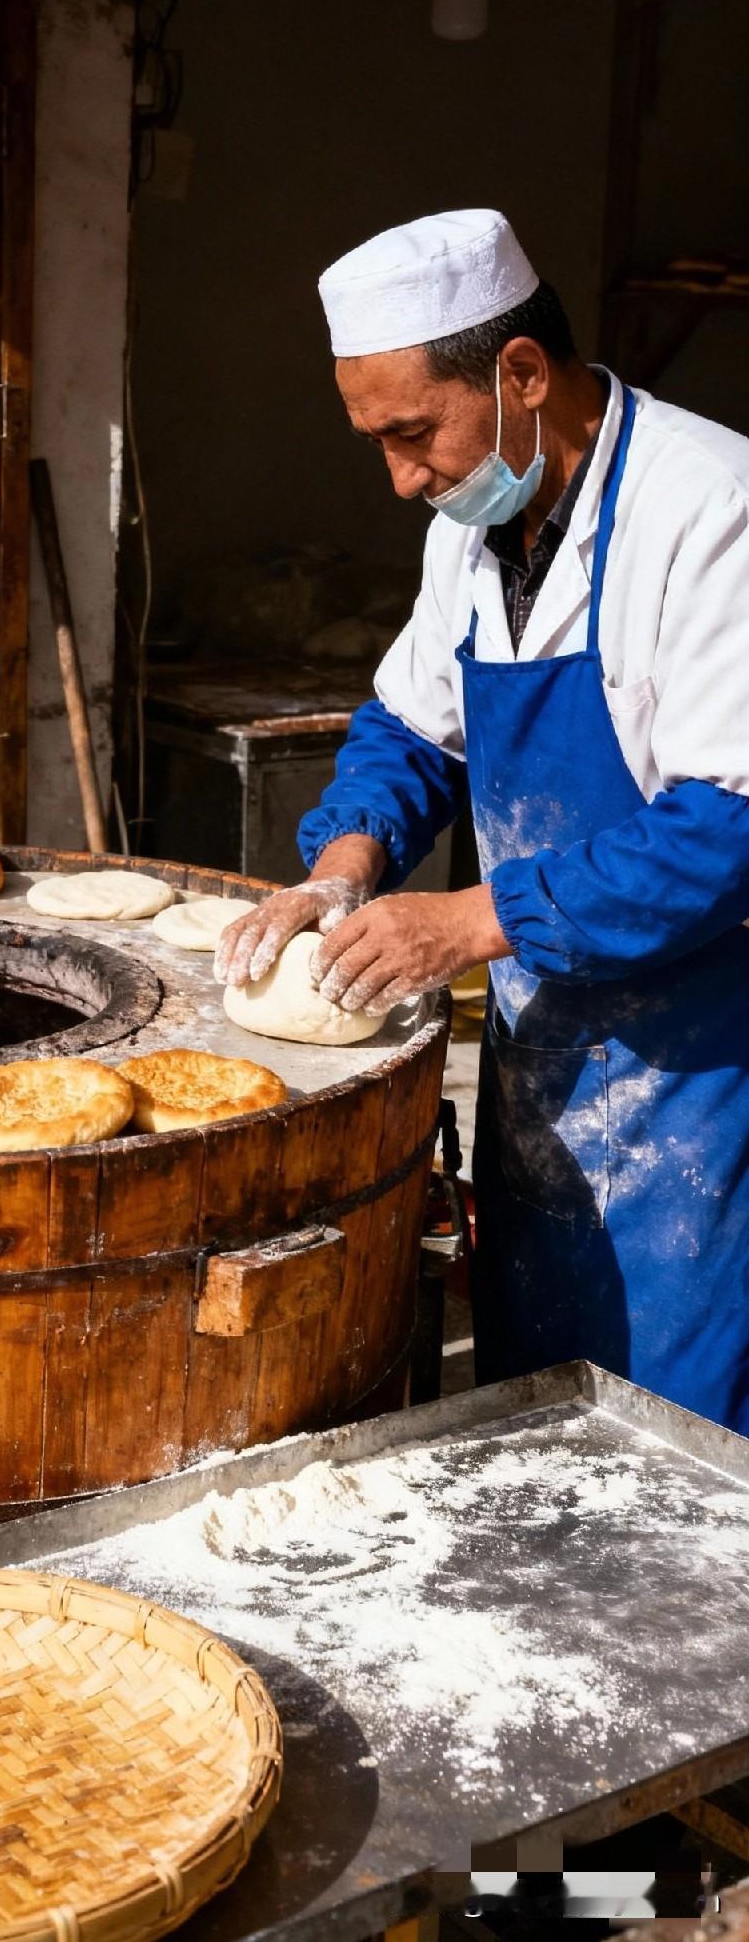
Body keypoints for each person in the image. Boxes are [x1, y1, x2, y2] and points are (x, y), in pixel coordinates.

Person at [215, 207, 749, 1434]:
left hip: (706, 1085)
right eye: (377, 442)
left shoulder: (709, 508)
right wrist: (345, 864)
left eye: (413, 433)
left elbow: (729, 827)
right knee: (526, 1411)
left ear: (521, 374)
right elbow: (413, 729)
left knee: (672, 1446)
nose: (401, 477)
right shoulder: (468, 532)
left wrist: (468, 920)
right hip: (540, 1063)